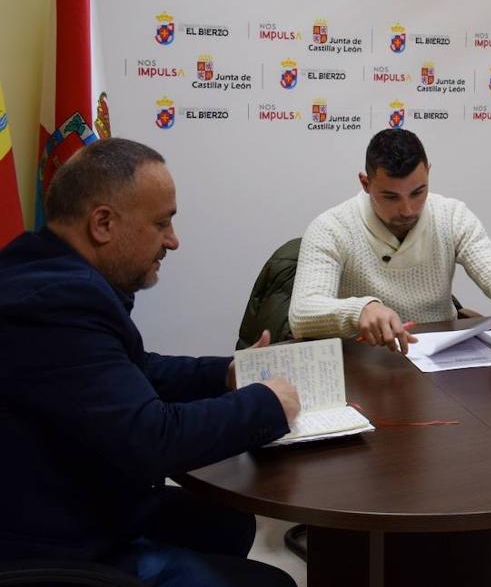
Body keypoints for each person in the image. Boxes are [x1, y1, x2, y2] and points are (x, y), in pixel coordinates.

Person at [0, 138, 299, 586]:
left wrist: (224, 373)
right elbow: (153, 439)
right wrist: (267, 404)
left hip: (74, 495)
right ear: (103, 223)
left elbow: (133, 369)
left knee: (228, 522)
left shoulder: (40, 264)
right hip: (61, 541)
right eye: (162, 224)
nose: (173, 241)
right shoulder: (58, 303)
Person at [290, 128, 491, 352]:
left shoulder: (451, 216)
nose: (407, 210)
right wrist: (360, 310)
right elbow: (302, 313)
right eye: (390, 197)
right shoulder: (332, 228)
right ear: (366, 183)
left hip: (440, 358)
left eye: (418, 192)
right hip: (366, 362)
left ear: (428, 172)